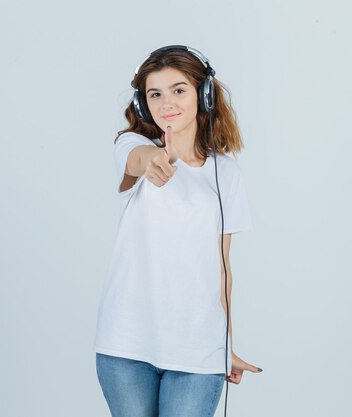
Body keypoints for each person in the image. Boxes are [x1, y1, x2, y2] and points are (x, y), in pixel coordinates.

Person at [94, 45, 262, 417]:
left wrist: (226, 344)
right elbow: (139, 161)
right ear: (143, 104)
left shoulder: (226, 172)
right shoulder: (133, 145)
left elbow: (222, 269)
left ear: (203, 95)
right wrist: (155, 161)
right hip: (126, 345)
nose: (166, 103)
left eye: (178, 90)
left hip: (198, 350)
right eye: (155, 94)